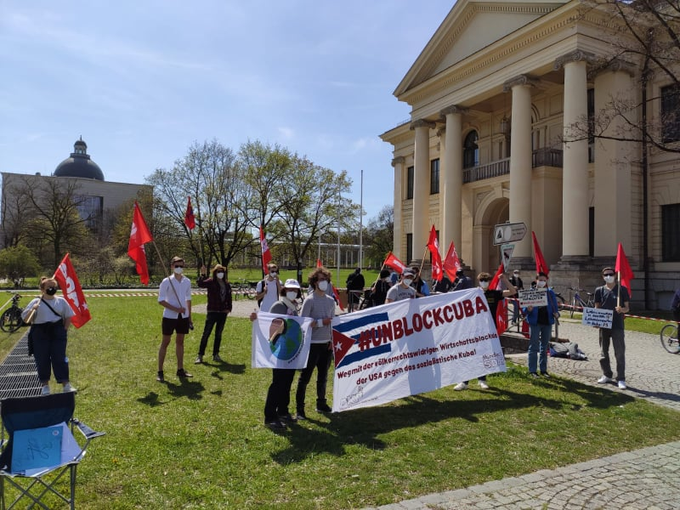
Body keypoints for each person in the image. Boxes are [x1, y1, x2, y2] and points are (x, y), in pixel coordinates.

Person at [250, 279, 303, 429]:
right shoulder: (279, 306)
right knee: (278, 383)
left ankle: (283, 410)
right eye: (290, 289)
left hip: (290, 351)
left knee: (287, 382)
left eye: (295, 290)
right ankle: (270, 416)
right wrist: (256, 318)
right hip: (280, 352)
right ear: (285, 290)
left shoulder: (294, 307)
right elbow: (269, 324)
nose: (293, 292)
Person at [454, 271, 516, 391]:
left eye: (486, 281)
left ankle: (482, 379)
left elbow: (513, 291)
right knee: (470, 354)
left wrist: (504, 280)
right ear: (479, 282)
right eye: (482, 281)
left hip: (488, 328)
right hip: (474, 328)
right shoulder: (473, 294)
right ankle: (464, 381)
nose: (484, 283)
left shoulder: (495, 293)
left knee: (485, 354)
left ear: (489, 282)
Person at [21, 276, 76, 395]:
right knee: (42, 359)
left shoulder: (61, 301)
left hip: (57, 332)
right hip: (40, 333)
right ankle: (45, 386)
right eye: (49, 287)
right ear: (42, 289)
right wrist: (32, 310)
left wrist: (64, 330)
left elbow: (68, 316)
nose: (52, 289)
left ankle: (65, 384)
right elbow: (26, 320)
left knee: (60, 358)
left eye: (54, 287)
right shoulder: (35, 302)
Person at [296, 267, 336, 419]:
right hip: (312, 344)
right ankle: (300, 409)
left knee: (323, 376)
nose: (323, 282)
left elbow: (332, 322)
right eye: (320, 280)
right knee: (305, 378)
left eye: (325, 280)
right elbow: (303, 323)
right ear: (314, 282)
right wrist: (320, 323)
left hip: (326, 344)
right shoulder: (309, 300)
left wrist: (332, 339)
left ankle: (321, 403)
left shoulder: (331, 301)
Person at [157, 256, 193, 382]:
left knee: (180, 342)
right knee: (165, 342)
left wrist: (189, 317)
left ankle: (180, 369)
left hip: (183, 317)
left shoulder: (187, 281)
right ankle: (160, 371)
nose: (179, 268)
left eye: (181, 266)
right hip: (169, 316)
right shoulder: (166, 281)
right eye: (176, 266)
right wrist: (175, 309)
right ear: (172, 267)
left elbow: (188, 299)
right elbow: (160, 300)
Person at [594, 266, 630, 390]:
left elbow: (627, 308)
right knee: (603, 352)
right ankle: (606, 374)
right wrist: (595, 320)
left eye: (610, 274)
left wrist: (622, 310)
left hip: (617, 325)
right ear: (602, 277)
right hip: (604, 326)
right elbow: (597, 307)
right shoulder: (599, 290)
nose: (608, 276)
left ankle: (621, 378)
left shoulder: (622, 290)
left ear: (615, 275)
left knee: (619, 353)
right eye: (606, 275)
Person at [523, 272, 559, 378]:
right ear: (536, 280)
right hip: (535, 323)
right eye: (540, 280)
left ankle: (543, 370)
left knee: (544, 347)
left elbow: (555, 307)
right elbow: (524, 310)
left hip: (547, 322)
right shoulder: (530, 292)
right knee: (533, 346)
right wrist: (528, 309)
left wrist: (557, 314)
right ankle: (532, 370)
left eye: (544, 280)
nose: (542, 282)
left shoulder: (550, 292)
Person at [195, 263, 232, 364]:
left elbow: (229, 297)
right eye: (218, 272)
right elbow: (200, 284)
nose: (220, 273)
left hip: (222, 313)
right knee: (206, 333)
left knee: (218, 334)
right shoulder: (211, 282)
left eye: (222, 272)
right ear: (215, 273)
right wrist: (202, 274)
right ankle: (200, 355)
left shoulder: (227, 284)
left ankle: (216, 354)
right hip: (212, 311)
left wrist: (229, 308)